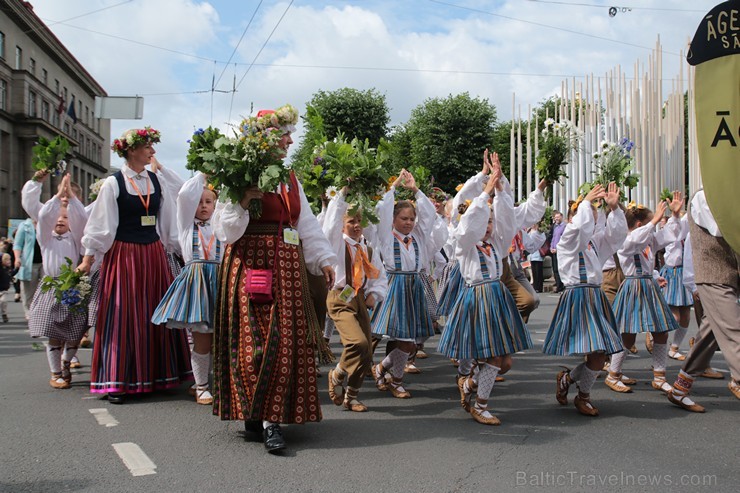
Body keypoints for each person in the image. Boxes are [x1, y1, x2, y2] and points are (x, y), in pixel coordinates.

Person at [212, 109, 336, 454]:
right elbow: (224, 230)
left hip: (287, 266)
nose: (290, 141)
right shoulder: (240, 173)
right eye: (284, 134)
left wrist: (324, 259)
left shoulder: (290, 177)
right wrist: (242, 199)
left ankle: (268, 417)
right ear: (265, 137)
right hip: (251, 264)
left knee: (282, 341)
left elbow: (305, 223)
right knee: (254, 340)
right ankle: (261, 414)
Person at [77, 127, 192, 404]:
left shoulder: (157, 180)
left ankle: (155, 375)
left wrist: (177, 250)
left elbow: (169, 217)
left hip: (152, 254)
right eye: (147, 147)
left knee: (154, 312)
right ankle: (118, 380)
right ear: (130, 151)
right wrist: (89, 256)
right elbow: (102, 225)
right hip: (124, 254)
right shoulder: (113, 184)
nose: (152, 152)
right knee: (122, 315)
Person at [437, 154, 527, 425]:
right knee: (494, 356)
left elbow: (507, 223)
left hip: (496, 296)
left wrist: (499, 191)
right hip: (477, 296)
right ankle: (481, 405)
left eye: (490, 222)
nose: (488, 227)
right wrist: (484, 192)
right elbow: (467, 226)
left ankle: (470, 384)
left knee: (505, 362)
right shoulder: (463, 244)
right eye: (484, 222)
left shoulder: (496, 244)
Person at [544, 183, 627, 416]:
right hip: (578, 296)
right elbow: (579, 228)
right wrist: (584, 204)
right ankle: (582, 396)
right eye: (588, 214)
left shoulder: (593, 241)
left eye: (594, 215)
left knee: (601, 352)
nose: (593, 219)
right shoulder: (568, 239)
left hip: (594, 295)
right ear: (576, 217)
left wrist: (615, 209)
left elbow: (615, 237)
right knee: (597, 352)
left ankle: (571, 382)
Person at [152, 172, 221, 405]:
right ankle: (201, 385)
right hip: (197, 281)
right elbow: (184, 196)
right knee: (202, 335)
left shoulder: (220, 225)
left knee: (220, 335)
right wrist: (202, 175)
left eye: (208, 201)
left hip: (220, 279)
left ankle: (213, 381)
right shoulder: (185, 225)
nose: (203, 206)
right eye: (199, 202)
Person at [667, 191, 739, 412]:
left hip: (729, 276)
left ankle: (680, 388)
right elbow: (724, 229)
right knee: (733, 330)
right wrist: (692, 284)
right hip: (713, 275)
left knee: (710, 332)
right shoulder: (704, 196)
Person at [606, 194, 683, 394]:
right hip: (633, 288)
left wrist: (674, 216)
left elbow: (668, 236)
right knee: (628, 336)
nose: (653, 227)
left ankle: (659, 375)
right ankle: (613, 373)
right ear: (640, 224)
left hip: (648, 287)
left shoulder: (647, 239)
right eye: (649, 223)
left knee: (661, 331)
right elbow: (634, 242)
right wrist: (655, 220)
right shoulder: (625, 241)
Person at [370, 170, 437, 399]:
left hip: (414, 286)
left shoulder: (418, 235)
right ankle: (396, 381)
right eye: (403, 219)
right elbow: (381, 211)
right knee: (405, 340)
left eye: (411, 219)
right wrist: (393, 188)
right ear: (394, 220)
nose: (409, 223)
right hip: (395, 285)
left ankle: (381, 369)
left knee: (410, 342)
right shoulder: (387, 236)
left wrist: (416, 190)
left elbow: (429, 216)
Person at [323, 187, 388, 412]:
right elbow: (330, 224)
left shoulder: (367, 248)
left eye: (359, 221)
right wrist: (341, 195)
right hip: (340, 297)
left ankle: (352, 396)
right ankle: (338, 373)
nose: (356, 225)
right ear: (343, 224)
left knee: (367, 351)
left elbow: (380, 276)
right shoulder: (336, 242)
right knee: (357, 343)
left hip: (358, 297)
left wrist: (374, 294)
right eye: (351, 221)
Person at [28, 175, 88, 389]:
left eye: (65, 217)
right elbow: (44, 217)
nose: (60, 220)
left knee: (75, 330)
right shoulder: (46, 238)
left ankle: (66, 361)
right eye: (58, 217)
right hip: (52, 286)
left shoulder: (74, 237)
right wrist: (56, 198)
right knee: (53, 332)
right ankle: (55, 372)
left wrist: (71, 199)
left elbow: (82, 220)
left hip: (72, 285)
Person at [659, 214, 693, 360]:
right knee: (675, 316)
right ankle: (656, 336)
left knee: (685, 316)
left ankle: (674, 348)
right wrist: (676, 214)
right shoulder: (673, 239)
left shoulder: (687, 236)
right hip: (673, 273)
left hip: (684, 273)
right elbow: (679, 223)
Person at [13, 217, 42, 320]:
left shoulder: (47, 222)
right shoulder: (24, 226)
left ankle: (42, 313)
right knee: (28, 290)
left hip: (45, 263)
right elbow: (17, 244)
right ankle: (30, 314)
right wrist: (17, 258)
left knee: (47, 289)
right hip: (29, 263)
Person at [549, 211, 566, 292]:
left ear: (561, 217)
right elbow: (553, 238)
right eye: (555, 218)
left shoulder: (564, 227)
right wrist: (551, 247)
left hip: (560, 251)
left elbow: (563, 239)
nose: (556, 219)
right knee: (555, 269)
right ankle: (558, 285)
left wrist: (557, 249)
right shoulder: (555, 227)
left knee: (561, 269)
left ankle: (562, 285)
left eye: (558, 217)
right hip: (553, 251)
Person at [0, 253, 16, 323]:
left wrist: (17, 268)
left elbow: (12, 273)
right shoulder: (1, 268)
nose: (9, 261)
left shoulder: (8, 269)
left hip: (4, 290)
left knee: (4, 301)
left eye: (9, 260)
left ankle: (4, 314)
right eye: (6, 260)